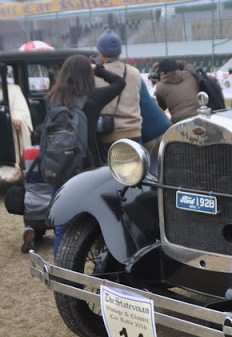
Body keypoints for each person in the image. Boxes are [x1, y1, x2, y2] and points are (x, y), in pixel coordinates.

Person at [46, 53, 125, 255]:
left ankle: (62, 274)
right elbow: (119, 83)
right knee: (97, 219)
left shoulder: (54, 98)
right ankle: (101, 262)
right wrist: (99, 69)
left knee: (61, 224)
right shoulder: (93, 99)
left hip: (59, 165)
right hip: (85, 167)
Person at [94, 29, 142, 159]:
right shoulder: (135, 73)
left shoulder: (96, 74)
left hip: (108, 136)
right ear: (119, 52)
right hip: (134, 134)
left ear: (102, 54)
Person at [21, 125, 50, 253]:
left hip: (31, 209)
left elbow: (22, 171)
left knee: (29, 191)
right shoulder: (53, 152)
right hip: (52, 211)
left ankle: (32, 231)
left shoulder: (27, 152)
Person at [0, 73, 33, 181]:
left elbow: (20, 108)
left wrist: (17, 117)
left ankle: (14, 166)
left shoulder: (13, 89)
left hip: (6, 128)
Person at [154, 59, 200, 123]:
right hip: (199, 117)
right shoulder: (189, 75)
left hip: (180, 123)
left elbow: (160, 109)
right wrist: (172, 62)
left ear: (162, 73)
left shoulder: (160, 86)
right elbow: (186, 64)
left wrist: (157, 86)